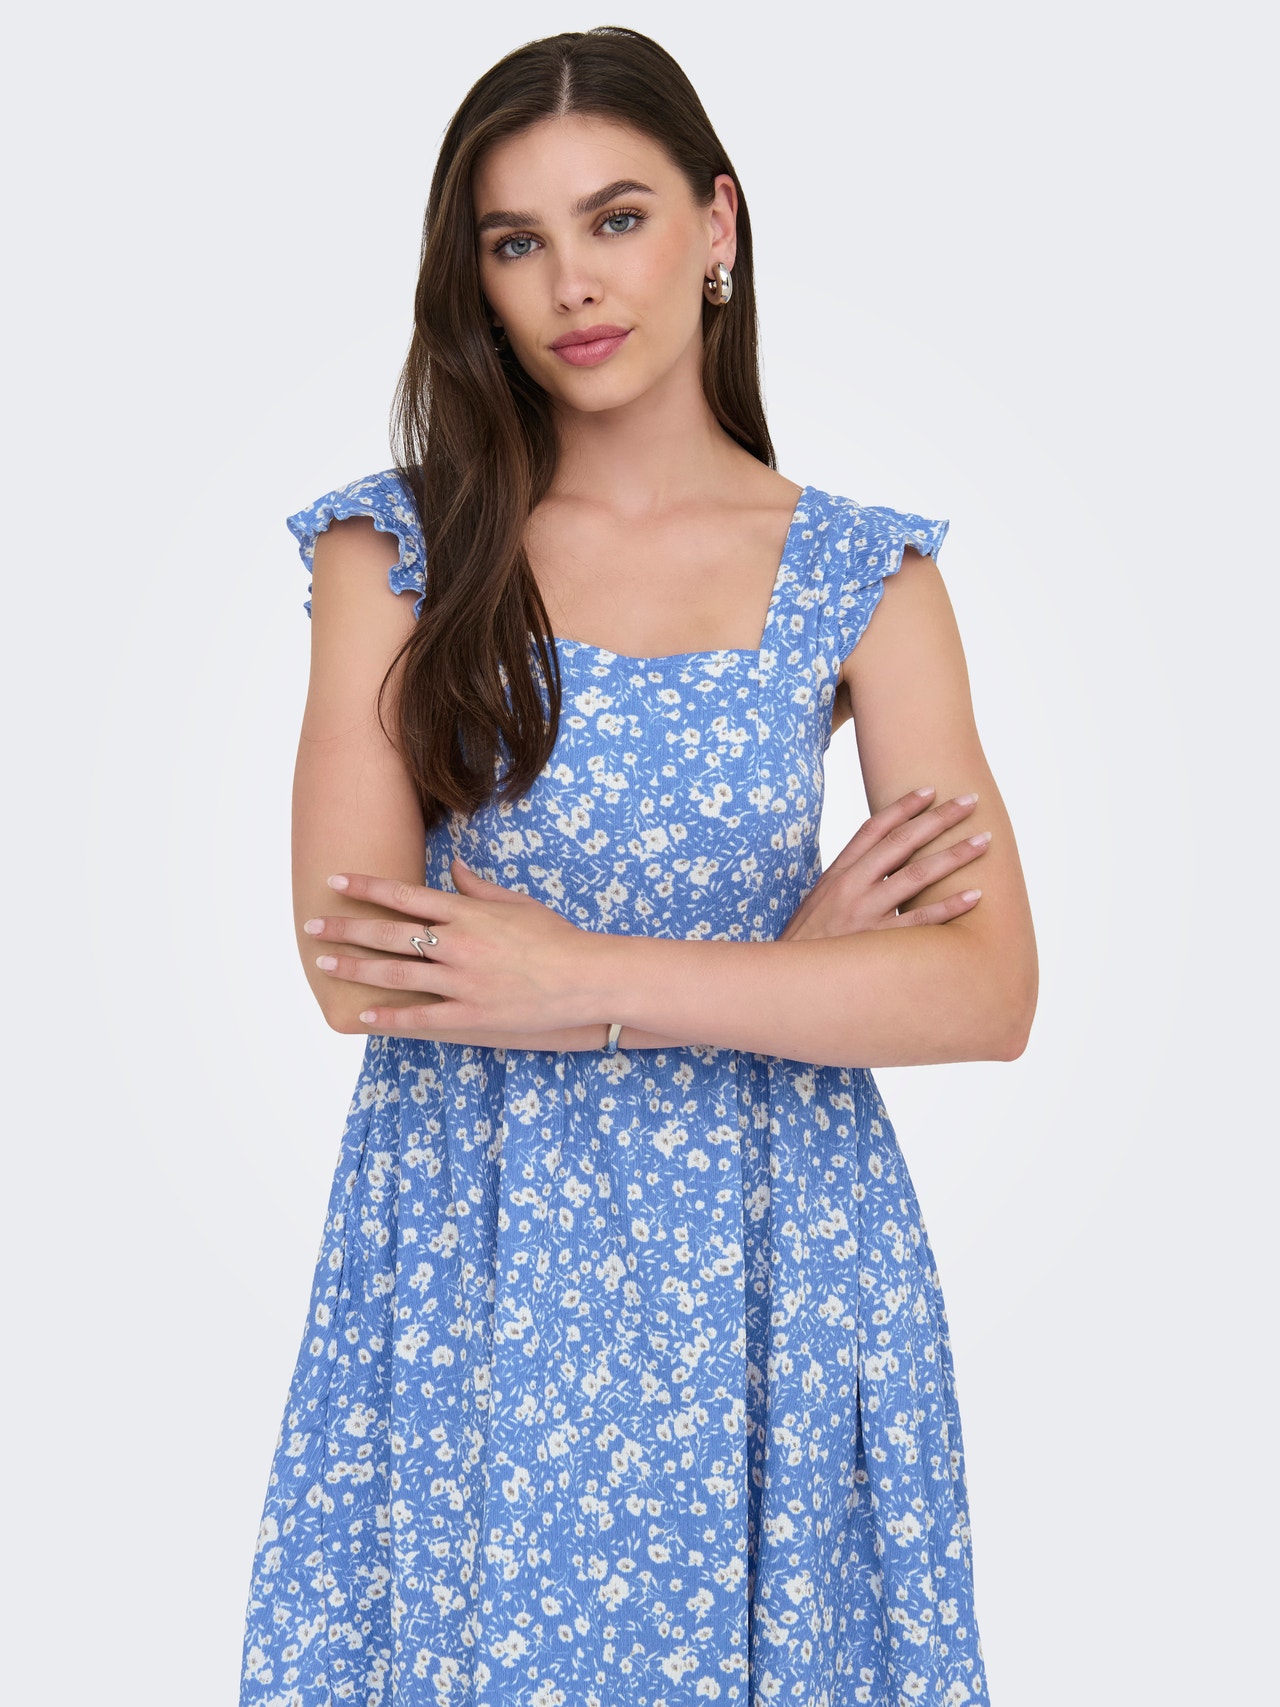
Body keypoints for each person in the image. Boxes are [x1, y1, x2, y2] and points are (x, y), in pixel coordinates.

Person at [240, 25, 1037, 1707]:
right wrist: (794, 973)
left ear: (718, 224)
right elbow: (357, 969)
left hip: (780, 1261)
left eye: (617, 218)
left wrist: (581, 978)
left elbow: (985, 992)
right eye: (515, 242)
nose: (572, 285)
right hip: (476, 1257)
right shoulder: (398, 552)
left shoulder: (865, 580)